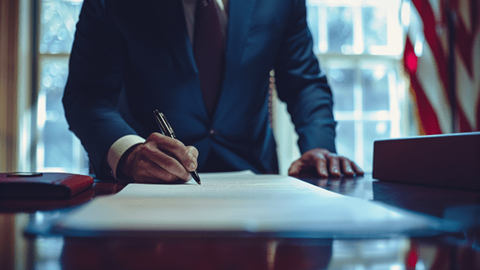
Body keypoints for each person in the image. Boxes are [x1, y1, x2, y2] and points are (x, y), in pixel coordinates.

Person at [63, 0, 363, 183]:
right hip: (148, 188)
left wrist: (318, 149)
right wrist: (129, 155)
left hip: (257, 183)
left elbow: (304, 83)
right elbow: (87, 95)